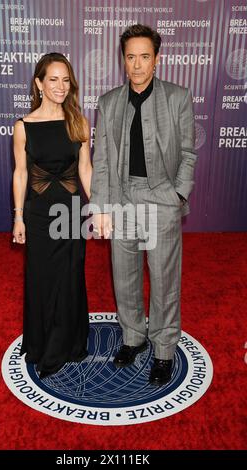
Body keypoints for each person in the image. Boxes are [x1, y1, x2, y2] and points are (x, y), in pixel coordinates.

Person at [90, 25, 197, 385]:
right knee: (125, 276)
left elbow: (187, 154)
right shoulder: (108, 103)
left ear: (157, 58)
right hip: (122, 197)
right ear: (123, 59)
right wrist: (101, 208)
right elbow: (101, 161)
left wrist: (177, 195)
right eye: (130, 57)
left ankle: (164, 348)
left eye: (144, 57)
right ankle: (133, 338)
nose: (137, 65)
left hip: (162, 198)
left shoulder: (178, 97)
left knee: (165, 279)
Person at [12, 52, 92, 379]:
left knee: (70, 277)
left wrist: (98, 207)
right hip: (40, 214)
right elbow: (21, 173)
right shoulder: (23, 126)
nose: (61, 86)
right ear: (39, 84)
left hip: (71, 212)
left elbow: (85, 169)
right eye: (53, 79)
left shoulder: (79, 122)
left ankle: (66, 345)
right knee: (42, 279)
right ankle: (41, 342)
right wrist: (18, 217)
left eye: (65, 80)